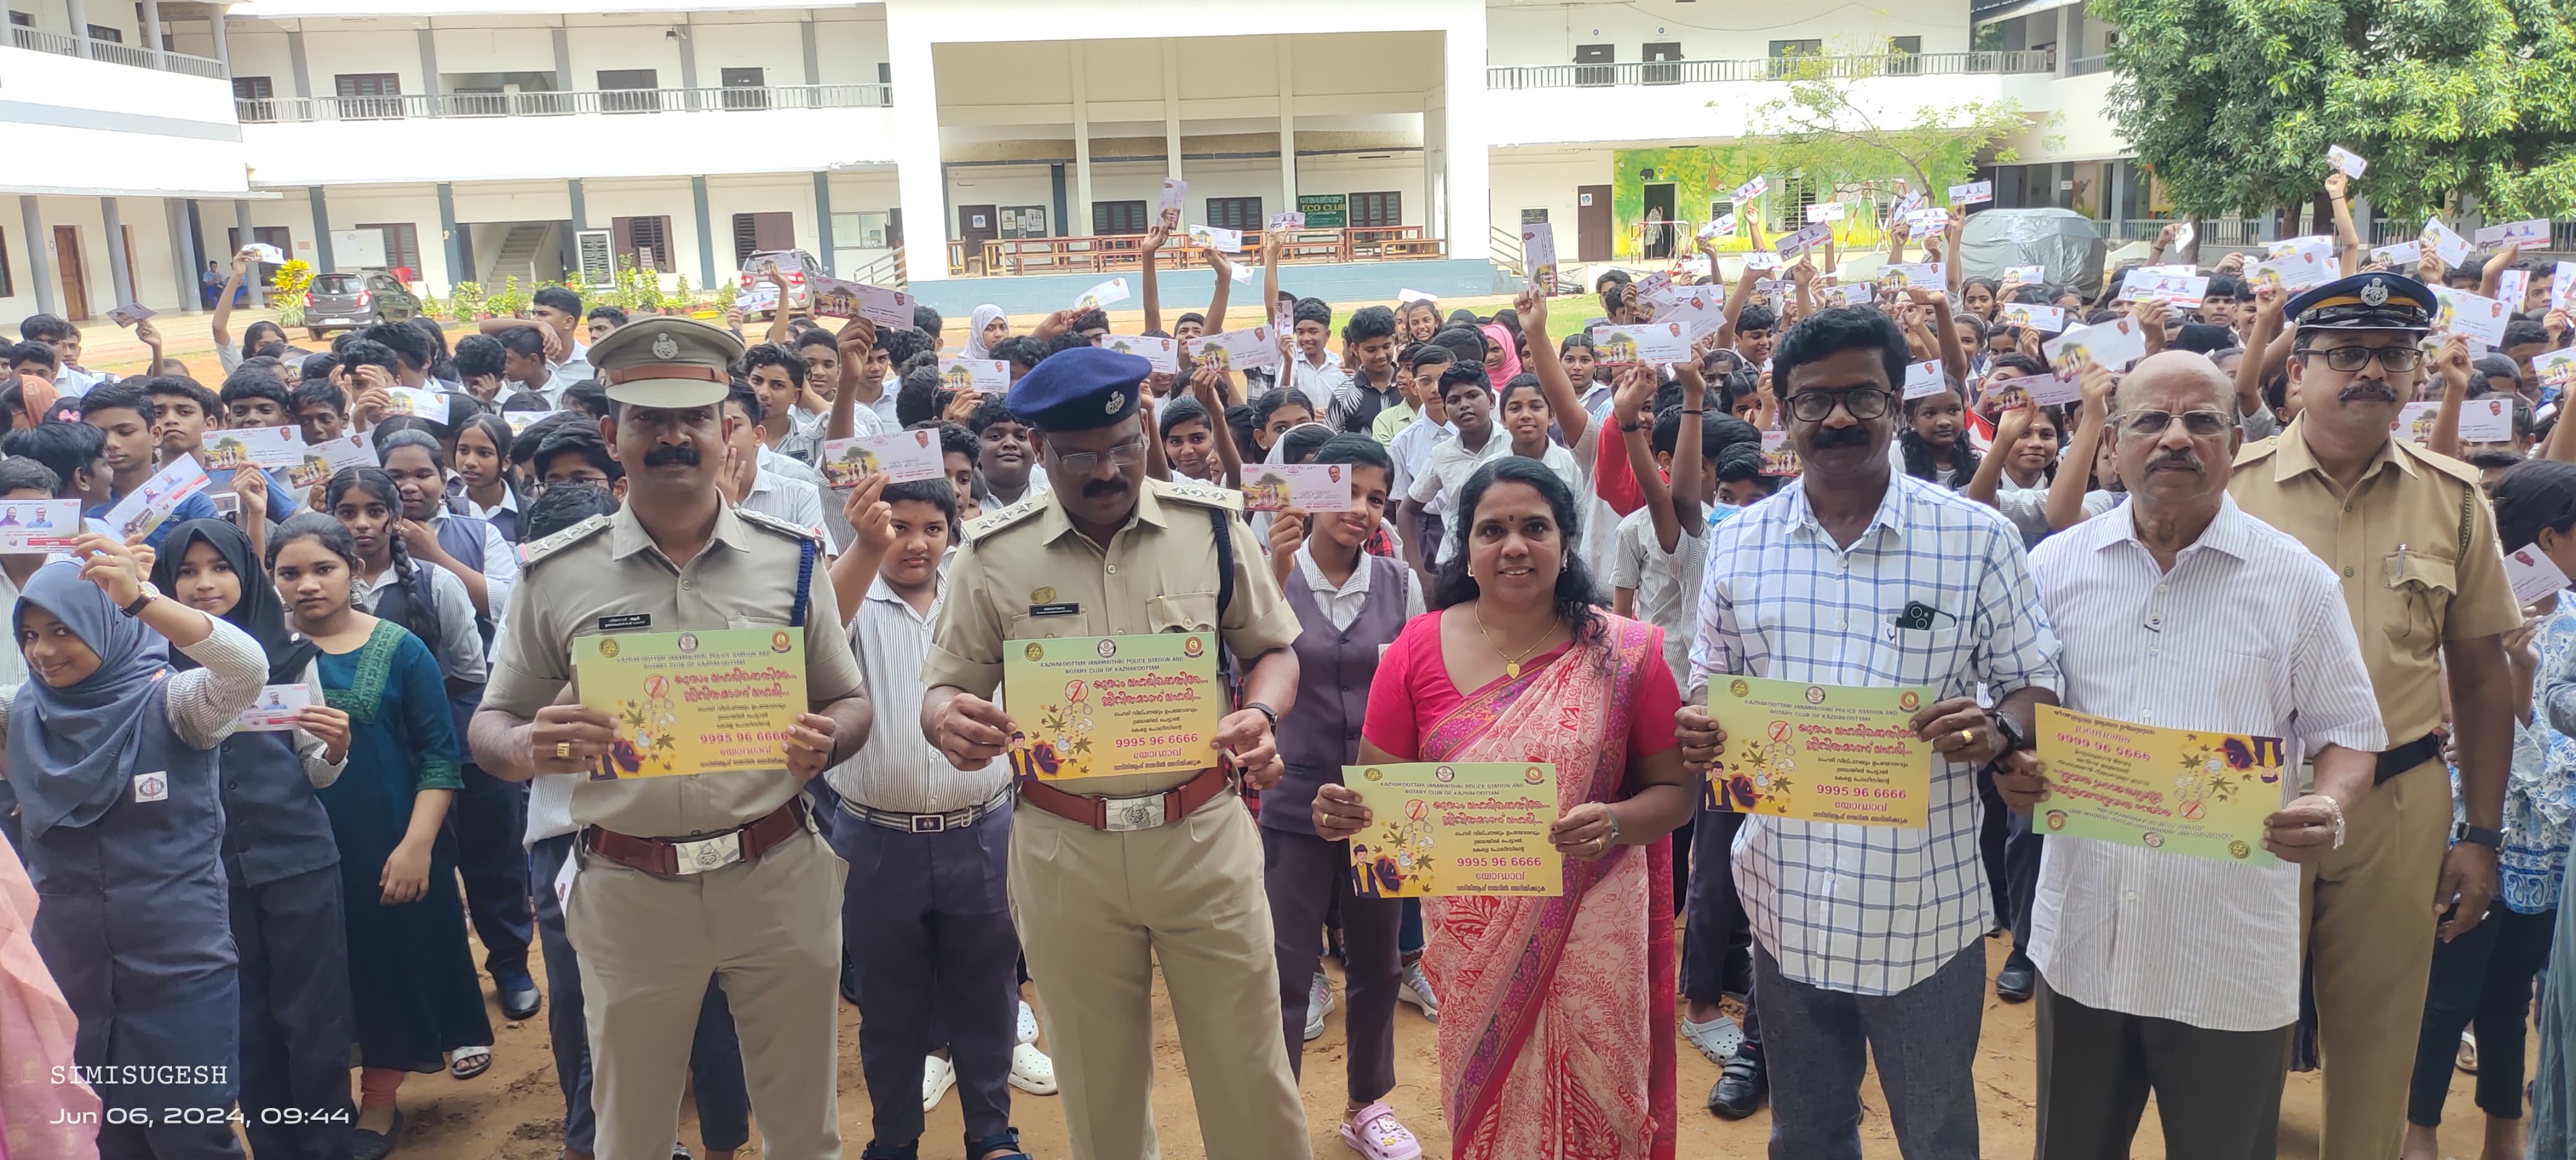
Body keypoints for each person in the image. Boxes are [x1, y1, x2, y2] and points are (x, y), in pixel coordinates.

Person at [470, 317, 872, 1160]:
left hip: (775, 872)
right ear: (612, 432)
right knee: (631, 1127)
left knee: (804, 1123)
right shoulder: (556, 571)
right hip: (630, 884)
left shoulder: (793, 559)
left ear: (727, 429)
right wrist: (528, 745)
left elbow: (850, 701)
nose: (673, 437)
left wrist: (827, 739)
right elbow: (491, 723)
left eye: (693, 417)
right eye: (649, 419)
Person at [1675, 306, 2065, 1160]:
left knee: (1936, 1134)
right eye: (1814, 400)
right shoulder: (1739, 545)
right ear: (1782, 411)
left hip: (1922, 908)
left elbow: (2034, 682)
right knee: (1807, 1134)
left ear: (1897, 403)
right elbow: (1711, 675)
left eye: (1861, 396)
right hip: (1784, 898)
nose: (1838, 418)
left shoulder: (1976, 538)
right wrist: (1703, 720)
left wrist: (1998, 727)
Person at [921, 345, 1310, 1160]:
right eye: (1080, 457)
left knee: (1249, 1065)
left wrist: (1261, 709)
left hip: (1201, 836)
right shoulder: (992, 554)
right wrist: (948, 718)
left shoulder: (1211, 529)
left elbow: (1273, 648)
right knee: (1098, 1084)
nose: (1107, 472)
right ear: (1039, 451)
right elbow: (945, 685)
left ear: (1144, 429)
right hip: (1066, 850)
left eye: (1124, 448)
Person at [2019, 351, 2385, 1159]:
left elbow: (2349, 733)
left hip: (2223, 950)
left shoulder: (2297, 582)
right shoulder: (2052, 567)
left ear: (2236, 442)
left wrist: (2327, 802)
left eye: (2201, 421)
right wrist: (2015, 762)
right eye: (2151, 420)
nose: (2175, 437)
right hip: (2084, 936)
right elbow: (2019, 708)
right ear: (2111, 442)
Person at [1315, 456, 1692, 1159]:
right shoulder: (1416, 649)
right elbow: (1382, 797)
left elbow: (1676, 794)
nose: (1514, 545)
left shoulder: (1623, 652)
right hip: (1473, 937)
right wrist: (1344, 813)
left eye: (1534, 527)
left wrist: (1614, 822)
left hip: (1594, 921)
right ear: (1466, 546)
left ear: (1566, 541)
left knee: (1601, 1103)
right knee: (1493, 1104)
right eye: (1492, 530)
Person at [2226, 272, 2521, 1160]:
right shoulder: (2229, 491)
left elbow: (2481, 677)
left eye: (2392, 355)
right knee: (2231, 1029)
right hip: (2248, 794)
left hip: (2397, 799)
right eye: (2346, 352)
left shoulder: (2454, 497)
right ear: (2296, 372)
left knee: (2381, 1039)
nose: (2371, 372)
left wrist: (2482, 834)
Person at [0, 540, 267, 1160]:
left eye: (63, 630)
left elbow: (246, 669)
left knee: (190, 1136)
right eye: (30, 634)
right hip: (68, 977)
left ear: (110, 624)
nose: (42, 652)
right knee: (105, 1138)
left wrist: (142, 599)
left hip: (180, 974)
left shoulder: (175, 704)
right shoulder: (20, 716)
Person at [513, 482, 755, 1160]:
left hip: (683, 831)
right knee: (585, 1008)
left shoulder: (688, 599)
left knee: (709, 1002)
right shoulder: (535, 603)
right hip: (567, 836)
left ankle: (719, 1137)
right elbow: (502, 725)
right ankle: (594, 1139)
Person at [822, 474, 1045, 1160]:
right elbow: (811, 636)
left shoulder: (976, 594)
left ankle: (992, 1134)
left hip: (982, 829)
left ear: (954, 532)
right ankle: (894, 1139)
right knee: (888, 1000)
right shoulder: (849, 595)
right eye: (898, 526)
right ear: (871, 527)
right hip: (874, 836)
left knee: (989, 989)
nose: (915, 543)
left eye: (933, 528)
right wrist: (862, 549)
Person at [268, 513, 493, 1159]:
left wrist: (417, 846)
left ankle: (380, 1097)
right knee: (315, 977)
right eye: (290, 572)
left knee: (386, 965)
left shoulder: (401, 648)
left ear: (355, 571)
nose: (307, 584)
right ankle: (318, 1097)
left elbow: (439, 757)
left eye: (323, 568)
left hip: (390, 843)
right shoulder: (259, 656)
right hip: (295, 851)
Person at [150, 518, 362, 1160]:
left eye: (220, 566)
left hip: (298, 858)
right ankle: (275, 1147)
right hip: (207, 875)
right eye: (187, 571)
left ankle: (328, 1145)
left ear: (247, 573)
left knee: (316, 1016)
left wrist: (335, 748)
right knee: (244, 1021)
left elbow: (315, 767)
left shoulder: (292, 656)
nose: (204, 583)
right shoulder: (150, 670)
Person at [1257, 434, 1427, 1158]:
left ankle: (1367, 1103)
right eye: (1347, 491)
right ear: (1310, 492)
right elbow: (1240, 664)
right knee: (1285, 962)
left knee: (1378, 960)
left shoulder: (1399, 583)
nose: (1361, 508)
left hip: (1377, 804)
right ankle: (1273, 1115)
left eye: (1376, 497)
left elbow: (1418, 685)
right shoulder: (1269, 572)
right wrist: (1272, 571)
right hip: (1291, 798)